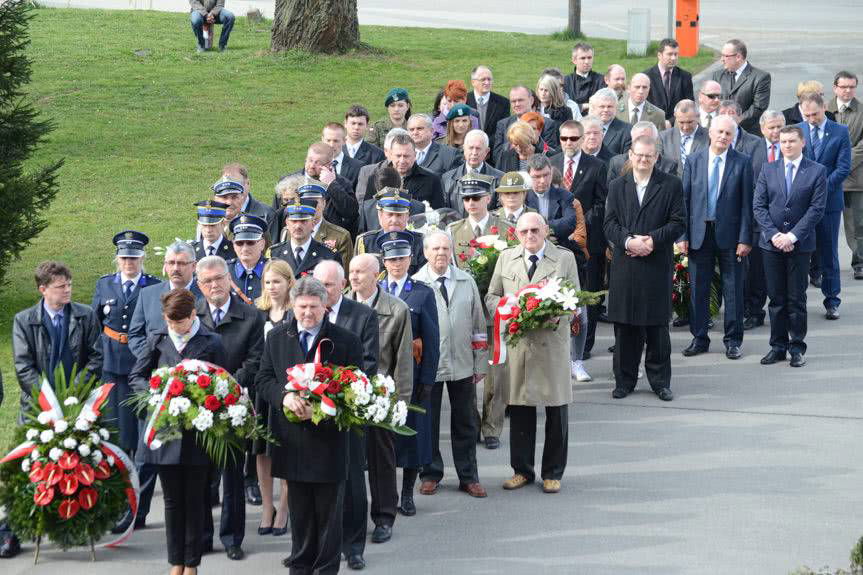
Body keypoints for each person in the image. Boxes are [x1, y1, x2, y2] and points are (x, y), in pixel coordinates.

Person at [256, 277, 363, 573]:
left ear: (325, 306)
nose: (307, 313)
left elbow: (358, 388)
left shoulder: (345, 341)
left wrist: (322, 407)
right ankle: (300, 568)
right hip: (292, 445)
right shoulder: (277, 338)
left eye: (314, 307)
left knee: (329, 520)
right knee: (301, 519)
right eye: (301, 307)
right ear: (292, 305)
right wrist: (284, 397)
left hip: (330, 445)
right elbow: (263, 379)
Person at [129, 288, 225, 575]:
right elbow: (137, 376)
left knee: (195, 500)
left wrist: (200, 397)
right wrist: (154, 394)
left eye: (179, 323)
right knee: (172, 501)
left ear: (192, 315)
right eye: (170, 322)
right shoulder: (157, 340)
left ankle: (192, 562)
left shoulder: (211, 340)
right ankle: (176, 562)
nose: (175, 328)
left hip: (197, 434)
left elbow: (222, 380)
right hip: (165, 433)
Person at [486, 212, 578, 493]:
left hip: (551, 344)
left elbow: (574, 300)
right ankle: (522, 470)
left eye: (535, 231)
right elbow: (491, 296)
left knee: (556, 410)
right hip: (520, 345)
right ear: (516, 234)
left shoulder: (564, 258)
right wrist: (508, 308)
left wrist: (557, 314)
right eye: (524, 231)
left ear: (546, 230)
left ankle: (553, 472)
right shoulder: (507, 258)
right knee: (521, 410)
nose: (530, 236)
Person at [120, 241, 202, 533]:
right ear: (165, 265)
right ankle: (135, 514)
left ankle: (198, 519)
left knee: (194, 458)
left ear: (193, 265)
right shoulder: (148, 294)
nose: (176, 268)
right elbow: (136, 333)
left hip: (195, 390)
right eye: (171, 263)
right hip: (156, 388)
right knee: (146, 454)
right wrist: (155, 363)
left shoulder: (203, 292)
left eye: (182, 263)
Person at [603, 136, 686, 401]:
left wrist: (652, 240)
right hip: (625, 266)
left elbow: (678, 222)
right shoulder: (617, 186)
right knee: (625, 329)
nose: (643, 160)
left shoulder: (671, 185)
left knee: (657, 330)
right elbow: (609, 224)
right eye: (639, 155)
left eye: (648, 156)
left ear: (656, 158)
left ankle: (660, 382)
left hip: (655, 264)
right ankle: (624, 381)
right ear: (630, 155)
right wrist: (628, 241)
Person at [195, 256, 264, 561]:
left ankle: (232, 538)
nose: (214, 286)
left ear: (229, 278)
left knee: (233, 479)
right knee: (200, 478)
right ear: (199, 285)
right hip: (199, 407)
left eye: (219, 279)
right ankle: (202, 537)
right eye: (207, 281)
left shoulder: (250, 316)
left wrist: (226, 387)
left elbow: (255, 359)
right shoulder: (192, 315)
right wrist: (205, 391)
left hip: (235, 406)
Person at [311, 261, 378, 571]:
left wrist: (334, 388)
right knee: (316, 482)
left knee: (351, 482)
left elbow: (368, 363)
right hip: (312, 414)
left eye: (328, 285)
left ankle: (353, 547)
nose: (323, 291)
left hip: (347, 411)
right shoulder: (304, 313)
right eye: (318, 285)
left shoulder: (362, 315)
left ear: (342, 285)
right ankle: (320, 546)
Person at [414, 231, 488, 498]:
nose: (441, 253)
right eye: (435, 249)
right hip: (429, 367)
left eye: (446, 248)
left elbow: (479, 326)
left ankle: (468, 476)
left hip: (463, 363)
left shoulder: (466, 281)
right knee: (428, 422)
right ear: (425, 253)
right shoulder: (416, 283)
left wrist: (480, 364)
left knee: (466, 422)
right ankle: (430, 473)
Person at [347, 254, 413, 546]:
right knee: (348, 461)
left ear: (377, 275)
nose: (354, 277)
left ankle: (384, 516)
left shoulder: (396, 309)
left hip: (379, 397)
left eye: (360, 272)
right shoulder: (341, 307)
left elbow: (403, 361)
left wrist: (401, 403)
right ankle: (349, 518)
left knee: (381, 460)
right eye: (351, 271)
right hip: (346, 397)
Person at [677, 115, 754, 360]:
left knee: (733, 290)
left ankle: (733, 340)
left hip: (731, 237)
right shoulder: (694, 160)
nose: (723, 137)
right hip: (700, 234)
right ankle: (699, 338)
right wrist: (683, 235)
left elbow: (746, 205)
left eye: (728, 134)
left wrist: (745, 238)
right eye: (719, 132)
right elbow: (685, 201)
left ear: (733, 137)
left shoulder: (742, 162)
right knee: (699, 289)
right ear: (710, 132)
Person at [753, 126, 827, 367]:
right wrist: (774, 235)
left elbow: (816, 209)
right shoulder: (768, 169)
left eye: (792, 141)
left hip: (800, 245)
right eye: (783, 141)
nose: (787, 145)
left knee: (796, 298)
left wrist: (792, 236)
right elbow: (759, 206)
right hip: (771, 245)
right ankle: (777, 346)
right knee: (776, 298)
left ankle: (797, 347)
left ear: (802, 142)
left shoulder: (816, 172)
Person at [378, 231, 440, 516]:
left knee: (413, 438)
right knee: (384, 439)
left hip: (412, 375)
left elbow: (432, 339)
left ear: (410, 259)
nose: (396, 264)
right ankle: (387, 493)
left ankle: (407, 494)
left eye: (401, 258)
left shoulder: (421, 292)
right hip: (382, 375)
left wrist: (427, 379)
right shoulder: (377, 292)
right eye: (391, 259)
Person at [92, 231, 160, 454]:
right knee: (111, 417)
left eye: (133, 257)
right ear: (117, 258)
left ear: (142, 258)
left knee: (137, 417)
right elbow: (95, 323)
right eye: (124, 258)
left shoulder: (153, 286)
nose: (129, 262)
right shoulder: (104, 285)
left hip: (140, 358)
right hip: (110, 358)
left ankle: (136, 467)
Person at [548, 120, 608, 359]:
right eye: (564, 139)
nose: (569, 143)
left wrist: (579, 225)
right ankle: (559, 343)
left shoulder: (597, 166)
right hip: (555, 241)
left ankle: (585, 346)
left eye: (574, 138)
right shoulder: (551, 163)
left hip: (587, 243)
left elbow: (602, 203)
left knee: (588, 293)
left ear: (582, 139)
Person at [13, 260, 102, 412]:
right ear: (43, 289)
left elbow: (97, 357)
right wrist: (49, 400)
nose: (67, 290)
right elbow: (23, 367)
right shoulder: (23, 321)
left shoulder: (86, 315)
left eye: (69, 284)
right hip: (38, 408)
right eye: (61, 286)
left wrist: (73, 393)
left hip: (79, 404)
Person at [799, 92, 851, 320]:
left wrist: (820, 189)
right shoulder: (797, 130)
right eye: (807, 115)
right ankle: (797, 300)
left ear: (824, 109)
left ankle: (832, 300)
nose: (811, 119)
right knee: (800, 252)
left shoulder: (840, 132)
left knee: (829, 253)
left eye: (815, 114)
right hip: (801, 204)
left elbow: (843, 168)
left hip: (829, 202)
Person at [253, 260, 295, 539]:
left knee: (287, 451)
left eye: (277, 282)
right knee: (261, 451)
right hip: (262, 392)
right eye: (268, 282)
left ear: (288, 283)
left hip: (288, 391)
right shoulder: (257, 313)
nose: (272, 287)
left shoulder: (296, 313)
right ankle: (266, 507)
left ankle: (283, 509)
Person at [743, 110, 785, 330]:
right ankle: (755, 311)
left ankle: (784, 311)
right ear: (762, 128)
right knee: (757, 272)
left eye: (779, 127)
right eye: (772, 127)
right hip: (758, 222)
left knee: (783, 271)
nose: (776, 132)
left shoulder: (791, 148)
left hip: (786, 222)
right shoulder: (751, 150)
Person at [276, 142, 359, 238]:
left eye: (318, 162)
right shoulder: (288, 181)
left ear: (329, 165)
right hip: (293, 237)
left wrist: (331, 185)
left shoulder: (342, 184)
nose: (312, 166)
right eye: (310, 160)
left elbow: (351, 213)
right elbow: (277, 214)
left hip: (328, 238)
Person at [828, 71, 863, 279]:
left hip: (855, 177)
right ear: (835, 88)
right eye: (843, 87)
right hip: (828, 178)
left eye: (851, 87)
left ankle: (859, 262)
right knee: (823, 223)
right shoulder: (824, 109)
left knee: (857, 222)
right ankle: (821, 266)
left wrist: (843, 164)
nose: (847, 90)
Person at [356, 186, 428, 275]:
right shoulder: (366, 242)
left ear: (407, 216)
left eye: (399, 215)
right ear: (380, 215)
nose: (394, 220)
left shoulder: (420, 242)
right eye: (390, 215)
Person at [712, 38, 771, 134]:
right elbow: (714, 102)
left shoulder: (761, 77)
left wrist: (735, 121)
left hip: (748, 132)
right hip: (721, 132)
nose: (722, 59)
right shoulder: (717, 76)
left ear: (738, 57)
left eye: (725, 56)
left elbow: (758, 107)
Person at [270, 198, 342, 277]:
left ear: (313, 224)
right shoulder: (274, 254)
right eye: (294, 221)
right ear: (287, 223)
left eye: (303, 221)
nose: (298, 226)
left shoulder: (328, 254)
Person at [441, 129, 504, 213]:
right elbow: (445, 212)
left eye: (478, 148)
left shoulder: (500, 179)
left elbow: (500, 212)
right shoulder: (447, 178)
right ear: (464, 149)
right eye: (471, 148)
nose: (474, 153)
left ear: (486, 151)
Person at [525, 155, 578, 254]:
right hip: (529, 251)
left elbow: (570, 223)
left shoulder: (564, 195)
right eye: (537, 176)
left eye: (546, 175)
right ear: (529, 176)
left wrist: (538, 228)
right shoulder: (524, 197)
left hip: (559, 250)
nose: (543, 180)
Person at [493, 86, 560, 163]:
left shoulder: (547, 124)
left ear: (531, 100)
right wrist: (516, 140)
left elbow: (551, 155)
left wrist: (535, 141)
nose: (517, 104)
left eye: (520, 100)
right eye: (513, 101)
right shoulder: (503, 124)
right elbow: (497, 155)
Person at [606, 122, 679, 184]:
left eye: (648, 139)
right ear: (631, 139)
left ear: (656, 140)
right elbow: (611, 195)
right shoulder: (617, 163)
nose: (643, 143)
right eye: (639, 139)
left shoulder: (669, 166)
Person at [644, 38, 695, 123]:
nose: (674, 58)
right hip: (652, 125)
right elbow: (643, 105)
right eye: (670, 54)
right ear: (659, 55)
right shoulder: (647, 77)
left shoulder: (685, 77)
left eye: (676, 54)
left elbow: (689, 106)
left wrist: (671, 122)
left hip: (677, 126)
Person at [215, 165, 276, 232]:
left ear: (248, 183)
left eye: (238, 185)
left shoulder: (267, 214)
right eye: (224, 196)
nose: (229, 202)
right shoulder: (210, 215)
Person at [658, 99, 709, 178]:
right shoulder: (663, 137)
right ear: (675, 117)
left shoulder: (709, 137)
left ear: (698, 116)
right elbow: (659, 166)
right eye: (681, 122)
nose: (685, 127)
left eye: (690, 122)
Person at [226, 214, 269, 302]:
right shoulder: (225, 271)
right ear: (234, 245)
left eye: (250, 242)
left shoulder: (273, 269)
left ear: (262, 244)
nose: (245, 248)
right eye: (239, 243)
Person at [466, 65, 511, 145]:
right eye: (483, 79)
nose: (487, 82)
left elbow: (504, 129)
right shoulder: (464, 101)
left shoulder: (503, 103)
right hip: (469, 149)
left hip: (493, 150)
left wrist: (485, 144)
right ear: (473, 82)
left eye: (489, 79)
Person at [563, 42, 606, 110]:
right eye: (583, 58)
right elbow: (562, 106)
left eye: (589, 58)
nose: (587, 61)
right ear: (574, 60)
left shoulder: (601, 80)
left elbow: (603, 104)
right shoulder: (565, 81)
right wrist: (583, 106)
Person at [589, 88, 632, 155]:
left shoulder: (627, 130)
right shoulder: (584, 128)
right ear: (594, 108)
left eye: (609, 106)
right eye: (602, 106)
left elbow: (625, 160)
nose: (606, 110)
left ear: (615, 108)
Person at [322, 122, 363, 189]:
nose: (331, 145)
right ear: (323, 140)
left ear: (344, 141)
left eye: (336, 141)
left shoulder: (358, 167)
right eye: (328, 140)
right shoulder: (315, 165)